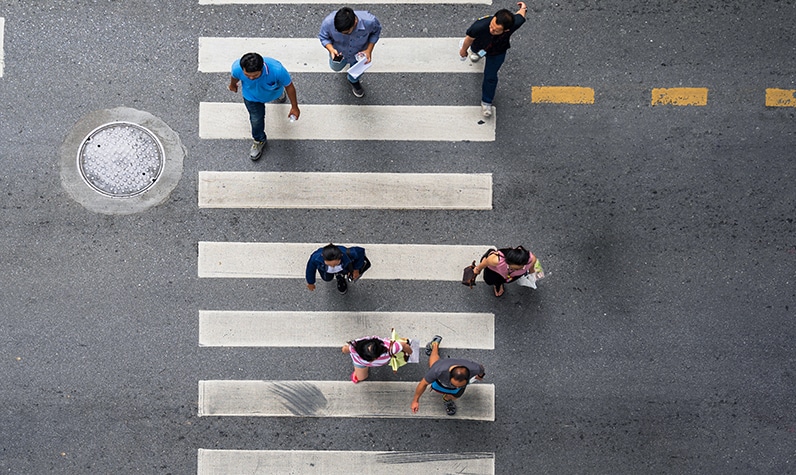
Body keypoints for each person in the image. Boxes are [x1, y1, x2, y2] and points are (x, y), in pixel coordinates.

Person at [459, 2, 528, 117]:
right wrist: (463, 50)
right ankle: (474, 52)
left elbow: (520, 15)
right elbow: (469, 39)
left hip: (497, 52)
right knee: (474, 50)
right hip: (478, 44)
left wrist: (524, 8)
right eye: (491, 25)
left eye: (496, 30)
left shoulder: (514, 24)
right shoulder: (480, 26)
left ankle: (486, 102)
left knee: (490, 77)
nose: (491, 29)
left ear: (506, 30)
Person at [228, 52, 300, 161]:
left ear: (262, 69)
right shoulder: (237, 68)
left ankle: (280, 94)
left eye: (255, 75)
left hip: (273, 92)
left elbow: (289, 87)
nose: (251, 78)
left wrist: (294, 107)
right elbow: (234, 77)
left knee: (277, 89)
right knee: (256, 119)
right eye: (248, 75)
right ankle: (259, 140)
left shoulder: (278, 71)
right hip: (252, 98)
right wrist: (232, 85)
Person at [410, 336, 485, 416]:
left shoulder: (476, 369)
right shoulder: (438, 370)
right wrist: (415, 400)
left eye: (460, 385)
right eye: (454, 384)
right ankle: (434, 345)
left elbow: (481, 371)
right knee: (434, 364)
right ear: (449, 375)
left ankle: (447, 399)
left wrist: (480, 376)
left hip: (443, 375)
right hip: (439, 377)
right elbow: (423, 384)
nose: (456, 387)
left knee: (456, 395)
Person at [318, 7, 382, 98]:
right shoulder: (328, 23)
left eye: (346, 32)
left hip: (359, 54)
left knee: (357, 72)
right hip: (339, 53)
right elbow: (323, 37)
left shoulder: (370, 22)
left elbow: (376, 32)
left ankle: (354, 81)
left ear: (355, 23)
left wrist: (369, 50)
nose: (343, 34)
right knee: (335, 67)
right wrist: (331, 49)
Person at [472, 246, 539, 297]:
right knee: (490, 281)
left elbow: (531, 267)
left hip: (511, 276)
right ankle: (497, 285)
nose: (517, 270)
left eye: (521, 268)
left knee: (506, 280)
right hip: (495, 272)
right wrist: (477, 270)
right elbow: (484, 263)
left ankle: (499, 284)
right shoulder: (495, 260)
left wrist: (531, 275)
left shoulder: (531, 259)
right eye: (513, 268)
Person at [342, 336, 413, 383]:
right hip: (359, 363)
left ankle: (357, 372)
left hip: (360, 363)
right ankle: (358, 373)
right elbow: (345, 349)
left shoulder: (391, 348)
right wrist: (409, 353)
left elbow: (404, 345)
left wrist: (410, 352)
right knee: (361, 378)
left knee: (360, 377)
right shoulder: (353, 347)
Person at [305, 243, 370, 294]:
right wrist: (311, 282)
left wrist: (356, 269)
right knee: (327, 278)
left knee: (341, 274)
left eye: (336, 264)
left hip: (344, 268)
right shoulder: (315, 258)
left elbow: (360, 252)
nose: (333, 266)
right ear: (323, 257)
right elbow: (310, 270)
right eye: (329, 264)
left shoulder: (350, 253)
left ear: (341, 256)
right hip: (326, 271)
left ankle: (340, 278)